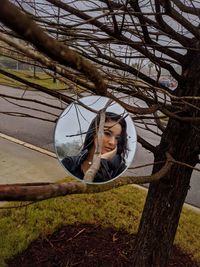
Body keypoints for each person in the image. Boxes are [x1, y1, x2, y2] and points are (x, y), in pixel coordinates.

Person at [61, 112, 128, 183]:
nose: (112, 142)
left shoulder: (119, 171)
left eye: (117, 138)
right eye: (107, 133)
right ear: (94, 133)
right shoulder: (69, 163)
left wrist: (102, 161)